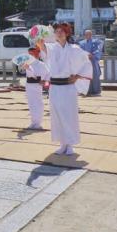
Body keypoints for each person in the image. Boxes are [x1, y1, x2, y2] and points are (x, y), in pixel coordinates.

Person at [37, 22, 92, 155]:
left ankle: (70, 144)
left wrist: (78, 76)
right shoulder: (51, 48)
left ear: (67, 33)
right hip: (55, 87)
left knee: (69, 115)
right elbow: (41, 46)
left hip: (68, 86)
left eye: (62, 31)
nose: (59, 33)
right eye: (57, 31)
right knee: (57, 115)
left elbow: (86, 62)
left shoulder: (74, 49)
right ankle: (62, 143)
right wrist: (38, 35)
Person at [22, 47, 50, 130]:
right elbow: (29, 74)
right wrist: (26, 67)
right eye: (29, 54)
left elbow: (48, 73)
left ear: (36, 55)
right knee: (31, 104)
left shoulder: (41, 64)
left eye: (31, 54)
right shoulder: (27, 63)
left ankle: (38, 123)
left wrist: (44, 80)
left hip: (37, 85)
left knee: (37, 103)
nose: (30, 56)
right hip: (29, 84)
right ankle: (33, 122)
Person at [78, 30, 103, 96]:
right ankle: (84, 90)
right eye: (86, 34)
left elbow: (98, 50)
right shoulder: (81, 43)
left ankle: (95, 91)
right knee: (84, 76)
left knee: (94, 76)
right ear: (84, 35)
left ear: (91, 35)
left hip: (93, 61)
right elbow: (80, 51)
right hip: (84, 62)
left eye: (89, 34)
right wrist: (84, 56)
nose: (87, 35)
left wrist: (92, 55)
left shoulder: (96, 42)